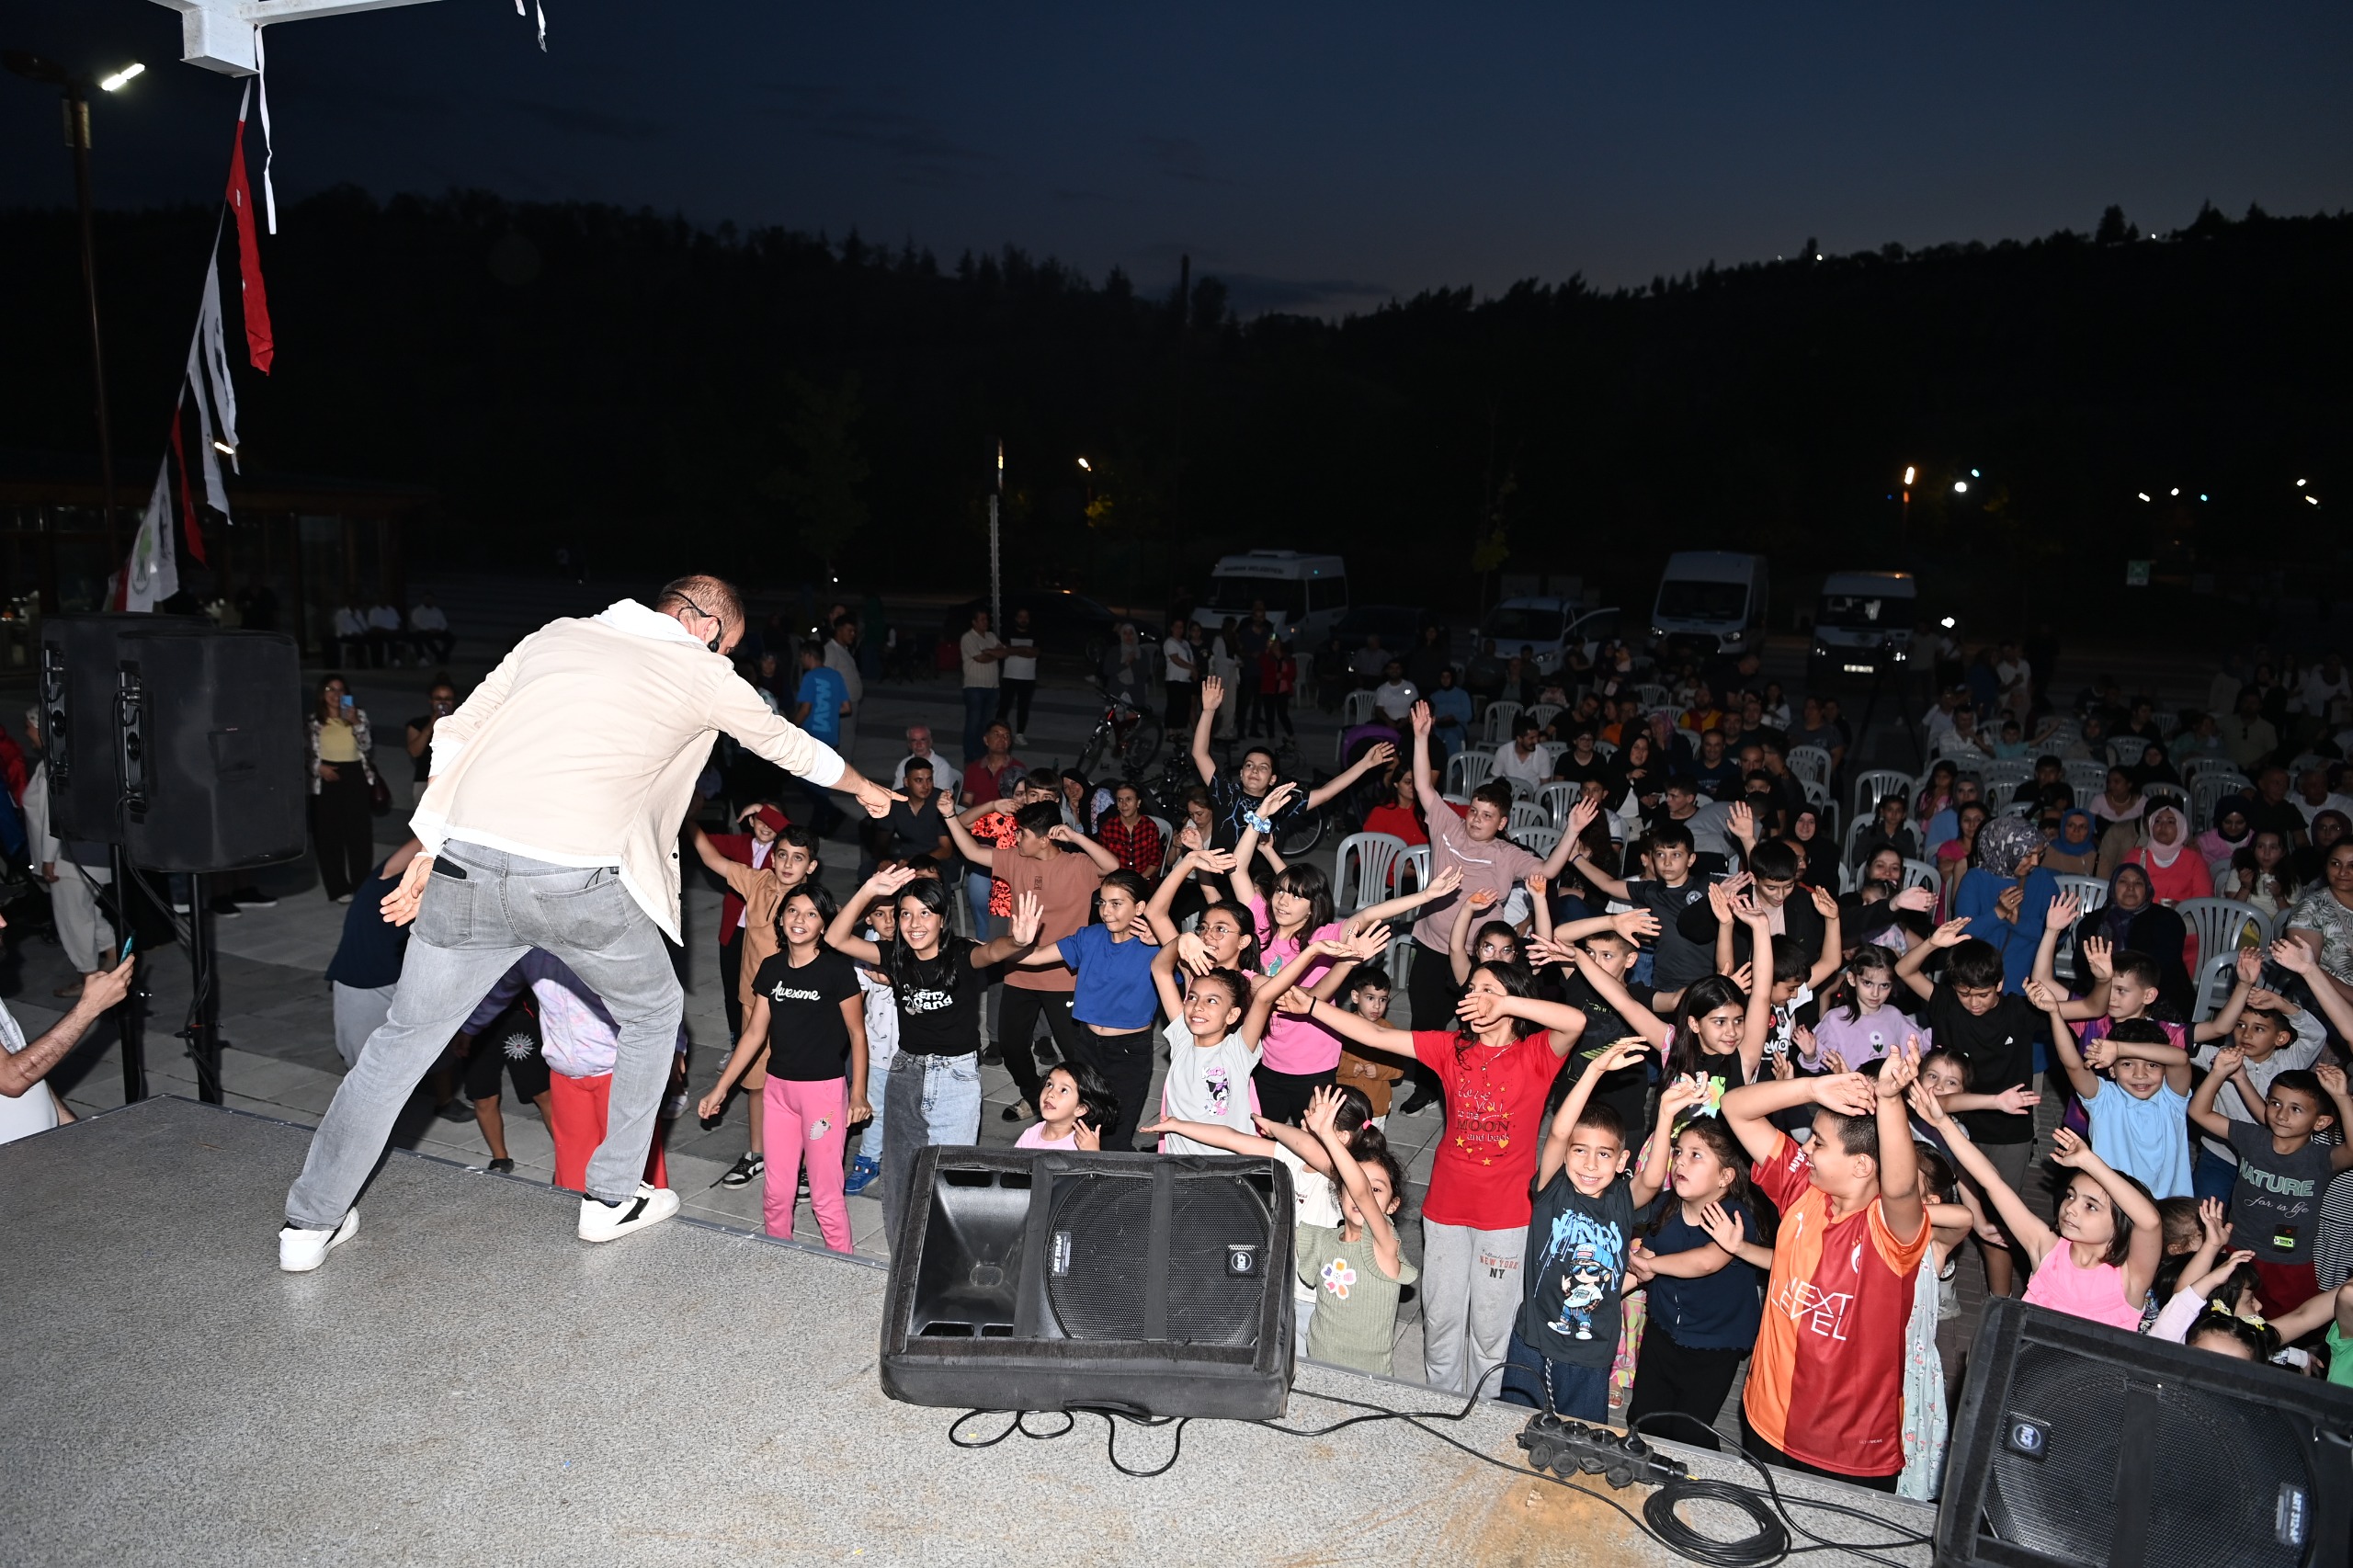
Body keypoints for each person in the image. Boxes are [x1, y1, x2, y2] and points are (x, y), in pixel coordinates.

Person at [278, 576, 899, 1273]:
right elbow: (788, 745)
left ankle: (308, 1221)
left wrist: (431, 843)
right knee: (656, 1011)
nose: (725, 658)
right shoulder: (699, 668)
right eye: (727, 645)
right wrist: (867, 789)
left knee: (399, 1045)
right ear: (704, 626)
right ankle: (609, 1198)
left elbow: (457, 734)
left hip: (466, 871)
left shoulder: (556, 634)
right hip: (573, 879)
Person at [1282, 961, 1591, 1398]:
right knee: (1442, 1318)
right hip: (1446, 1208)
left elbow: (1575, 1020)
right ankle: (1441, 1402)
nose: (1477, 996)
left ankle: (1484, 1410)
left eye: (1489, 989)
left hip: (1507, 1215)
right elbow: (1377, 1036)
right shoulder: (1452, 1049)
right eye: (1473, 989)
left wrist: (1505, 1003)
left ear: (1513, 997)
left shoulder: (1537, 1053)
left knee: (1490, 1328)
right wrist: (1312, 1005)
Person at [1719, 1046, 1928, 1492]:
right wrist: (1813, 1087)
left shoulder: (1889, 1233)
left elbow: (1902, 1186)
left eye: (1818, 1142)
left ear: (1861, 1166)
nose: (1806, 1149)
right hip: (1767, 1423)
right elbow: (1734, 1108)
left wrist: (1890, 1101)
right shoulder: (1802, 1188)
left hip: (1847, 1454)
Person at [824, 871, 1042, 1246]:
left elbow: (992, 951)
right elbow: (835, 938)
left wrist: (1016, 941)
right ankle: (903, 1258)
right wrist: (868, 891)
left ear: (942, 919)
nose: (914, 924)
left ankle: (944, 1264)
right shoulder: (895, 956)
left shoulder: (960, 954)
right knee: (900, 1176)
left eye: (925, 914)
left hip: (954, 1079)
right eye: (905, 914)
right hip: (906, 1071)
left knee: (952, 1176)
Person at [1501, 1043, 1686, 1419]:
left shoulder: (1621, 1199)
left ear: (1621, 1162)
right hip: (1533, 1342)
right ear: (1567, 1154)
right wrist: (1595, 1070)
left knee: (1578, 1441)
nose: (1589, 1163)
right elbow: (1558, 1131)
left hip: (1592, 1353)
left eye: (1603, 1154)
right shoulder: (1553, 1189)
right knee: (1515, 1432)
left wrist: (1665, 1114)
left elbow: (1652, 1179)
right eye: (1579, 1151)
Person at [696, 881, 869, 1250]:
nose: (800, 919)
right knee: (776, 1190)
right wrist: (721, 1088)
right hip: (778, 1092)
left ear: (824, 924)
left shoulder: (837, 971)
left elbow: (857, 1034)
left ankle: (844, 1264)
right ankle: (777, 1260)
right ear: (781, 917)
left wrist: (858, 1094)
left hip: (822, 1095)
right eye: (793, 910)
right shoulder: (772, 968)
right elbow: (755, 1034)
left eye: (811, 913)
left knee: (824, 1193)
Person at [1894, 923, 2046, 1299]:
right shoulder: (1946, 1003)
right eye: (1965, 994)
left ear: (1999, 984)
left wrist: (2053, 934)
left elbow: (2088, 1009)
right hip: (1949, 1125)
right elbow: (1903, 971)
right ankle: (1925, 1292)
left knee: (1996, 1223)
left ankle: (2000, 1306)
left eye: (1982, 994)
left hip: (2006, 1132)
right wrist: (1931, 942)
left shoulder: (2017, 1011)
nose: (1974, 1003)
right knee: (1936, 1209)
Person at [461, 949, 688, 1194]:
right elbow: (499, 991)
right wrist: (470, 1028)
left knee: (634, 1164)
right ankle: (572, 1220)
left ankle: (646, 1212)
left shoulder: (607, 946)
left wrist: (674, 1045)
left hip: (620, 1070)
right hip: (565, 1074)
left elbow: (658, 992)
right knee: (572, 1166)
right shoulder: (531, 953)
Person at [944, 799, 1115, 1120]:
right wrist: (949, 816)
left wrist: (1076, 836)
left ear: (1045, 838)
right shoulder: (1015, 859)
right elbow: (970, 851)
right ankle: (1035, 1095)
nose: (1016, 839)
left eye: (1022, 833)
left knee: (1075, 1051)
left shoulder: (1077, 865)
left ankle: (1088, 1108)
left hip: (1066, 976)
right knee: (1010, 1045)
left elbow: (1112, 867)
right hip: (1020, 972)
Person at [1622, 1112, 1768, 1452]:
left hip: (1714, 1346)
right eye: (1678, 1152)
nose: (1680, 1163)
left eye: (1695, 1155)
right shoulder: (1666, 1206)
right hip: (1662, 1331)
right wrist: (1600, 1298)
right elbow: (1642, 1263)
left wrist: (1654, 1265)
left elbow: (1707, 1261)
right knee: (1643, 1418)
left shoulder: (1734, 1219)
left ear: (1725, 1177)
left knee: (1689, 1430)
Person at [689, 815, 822, 1187]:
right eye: (782, 855)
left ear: (811, 865)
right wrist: (687, 816)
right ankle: (756, 1154)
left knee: (796, 1086)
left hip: (794, 1008)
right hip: (753, 1003)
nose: (787, 864)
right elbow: (711, 858)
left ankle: (802, 1161)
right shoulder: (757, 881)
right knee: (755, 1082)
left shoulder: (813, 904)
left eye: (798, 858)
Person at [2190, 1053, 2353, 1314]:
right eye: (2275, 1103)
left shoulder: (2322, 1158)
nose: (2281, 1115)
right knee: (2223, 1313)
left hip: (2289, 1261)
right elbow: (2199, 1112)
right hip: (2237, 1246)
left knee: (2285, 1323)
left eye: (2296, 1109)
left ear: (2320, 1122)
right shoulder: (2252, 1138)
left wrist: (2342, 1097)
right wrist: (2219, 1072)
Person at [1020, 869, 1163, 1152]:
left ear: (1140, 907)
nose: (1106, 912)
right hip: (1086, 1043)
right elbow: (1035, 957)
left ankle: (1115, 1192)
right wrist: (1009, 944)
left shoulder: (1155, 948)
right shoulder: (1089, 937)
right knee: (1080, 1128)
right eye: (1102, 903)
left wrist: (1165, 942)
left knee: (1115, 1135)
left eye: (1116, 903)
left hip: (1128, 1051)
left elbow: (1192, 967)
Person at [1189, 676, 1393, 850]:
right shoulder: (1226, 793)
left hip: (1257, 888)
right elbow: (1200, 754)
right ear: (1241, 773)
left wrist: (1364, 764)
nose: (1254, 770)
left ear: (1273, 779)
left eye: (1263, 768)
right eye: (1249, 765)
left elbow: (1325, 793)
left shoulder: (1279, 804)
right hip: (1220, 881)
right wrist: (1208, 711)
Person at [2038, 992, 2191, 1199]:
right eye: (2127, 1064)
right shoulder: (2104, 1101)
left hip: (2167, 1210)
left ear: (2165, 1070)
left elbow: (2181, 1058)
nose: (2140, 1074)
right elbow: (2072, 1065)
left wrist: (2119, 1049)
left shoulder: (2172, 1101)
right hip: (2111, 1208)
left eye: (2152, 1065)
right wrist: (2055, 1013)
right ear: (2111, 1070)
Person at [0, 921, 133, 1143]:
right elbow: (12, 1080)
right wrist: (90, 1007)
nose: (3, 921)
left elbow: (27, 1070)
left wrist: (73, 1132)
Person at [325, 839, 425, 1069]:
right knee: (365, 1065)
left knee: (427, 1054)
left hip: (406, 975)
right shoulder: (394, 876)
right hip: (364, 978)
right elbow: (423, 839)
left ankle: (444, 1100)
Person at [1952, 815, 2060, 993]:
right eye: (2027, 855)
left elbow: (2059, 934)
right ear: (2005, 848)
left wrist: (2019, 923)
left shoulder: (2043, 880)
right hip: (1981, 981)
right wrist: (1998, 913)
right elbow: (1963, 931)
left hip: (2029, 983)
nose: (2035, 862)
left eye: (2039, 854)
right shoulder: (1975, 879)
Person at [449, 994, 553, 1173]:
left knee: (542, 1092)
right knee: (483, 1096)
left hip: (516, 1014)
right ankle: (500, 1159)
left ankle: (568, 1155)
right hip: (472, 1021)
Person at [308, 675, 381, 904]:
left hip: (354, 776)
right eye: (330, 689)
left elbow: (367, 746)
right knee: (329, 837)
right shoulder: (313, 721)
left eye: (340, 690)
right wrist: (319, 768)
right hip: (326, 779)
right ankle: (338, 888)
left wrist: (356, 723)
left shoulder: (357, 715)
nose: (335, 694)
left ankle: (361, 885)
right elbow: (303, 752)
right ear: (322, 693)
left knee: (359, 835)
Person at [1016, 1061, 1117, 1152]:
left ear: (1080, 1109)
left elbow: (1093, 1172)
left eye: (1064, 1090)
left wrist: (1093, 1155)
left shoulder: (1082, 1146)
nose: (1050, 1093)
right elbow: (1012, 1168)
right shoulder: (1031, 1134)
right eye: (1049, 1084)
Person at [958, 608, 1008, 762]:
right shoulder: (968, 638)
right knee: (973, 724)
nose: (985, 622)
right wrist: (993, 653)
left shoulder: (991, 636)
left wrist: (989, 652)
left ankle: (982, 754)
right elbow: (980, 658)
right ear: (974, 622)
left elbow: (1004, 653)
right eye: (982, 619)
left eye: (986, 619)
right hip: (974, 687)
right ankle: (970, 756)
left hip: (992, 687)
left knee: (987, 725)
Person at [403, 678, 460, 811]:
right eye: (438, 699)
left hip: (455, 780)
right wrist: (430, 727)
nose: (443, 703)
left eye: (448, 699)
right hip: (425, 781)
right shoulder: (418, 724)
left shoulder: (461, 723)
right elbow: (414, 751)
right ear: (431, 701)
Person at [1093, 780, 1164, 881]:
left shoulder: (1149, 827)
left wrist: (1137, 880)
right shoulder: (1108, 828)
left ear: (1138, 803)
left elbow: (1155, 862)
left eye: (1128, 799)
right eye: (1120, 800)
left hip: (1142, 881)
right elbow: (1102, 861)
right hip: (1116, 881)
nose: (1124, 804)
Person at [996, 606, 1040, 743]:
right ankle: (998, 732)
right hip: (1009, 677)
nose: (1023, 620)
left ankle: (1020, 734)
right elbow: (1005, 651)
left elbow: (1035, 653)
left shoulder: (1035, 633)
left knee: (1023, 707)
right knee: (1004, 706)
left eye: (1026, 617)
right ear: (1016, 618)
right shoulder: (1008, 633)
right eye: (1021, 617)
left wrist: (1015, 650)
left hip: (1028, 678)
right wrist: (1025, 650)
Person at [892, 726, 961, 800]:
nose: (919, 745)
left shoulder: (942, 766)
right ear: (909, 744)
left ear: (930, 742)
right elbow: (896, 792)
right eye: (914, 740)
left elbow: (941, 797)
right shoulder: (904, 764)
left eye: (923, 740)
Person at [1162, 616, 1198, 733]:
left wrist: (1194, 669)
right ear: (1172, 628)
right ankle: (1171, 731)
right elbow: (1175, 659)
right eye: (1177, 627)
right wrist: (1191, 668)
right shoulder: (1169, 642)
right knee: (1174, 706)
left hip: (1185, 680)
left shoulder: (1185, 643)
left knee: (1184, 707)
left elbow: (1190, 658)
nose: (1179, 629)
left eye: (1181, 627)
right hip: (1174, 679)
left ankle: (1179, 731)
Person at [407, 593, 453, 663]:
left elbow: (444, 623)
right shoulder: (417, 611)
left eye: (430, 599)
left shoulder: (437, 611)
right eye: (426, 599)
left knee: (452, 638)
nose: (428, 601)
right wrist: (428, 629)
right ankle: (439, 656)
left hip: (437, 631)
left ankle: (443, 655)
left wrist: (440, 629)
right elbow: (416, 623)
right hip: (424, 631)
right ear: (423, 600)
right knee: (426, 638)